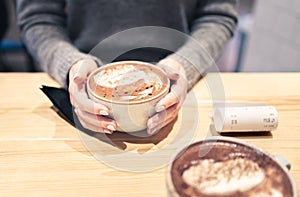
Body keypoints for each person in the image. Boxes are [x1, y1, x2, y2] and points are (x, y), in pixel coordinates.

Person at [17, 0, 238, 135]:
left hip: (181, 90)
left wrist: (184, 64)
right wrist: (70, 64)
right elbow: (39, 17)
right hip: (81, 92)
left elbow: (217, 14)